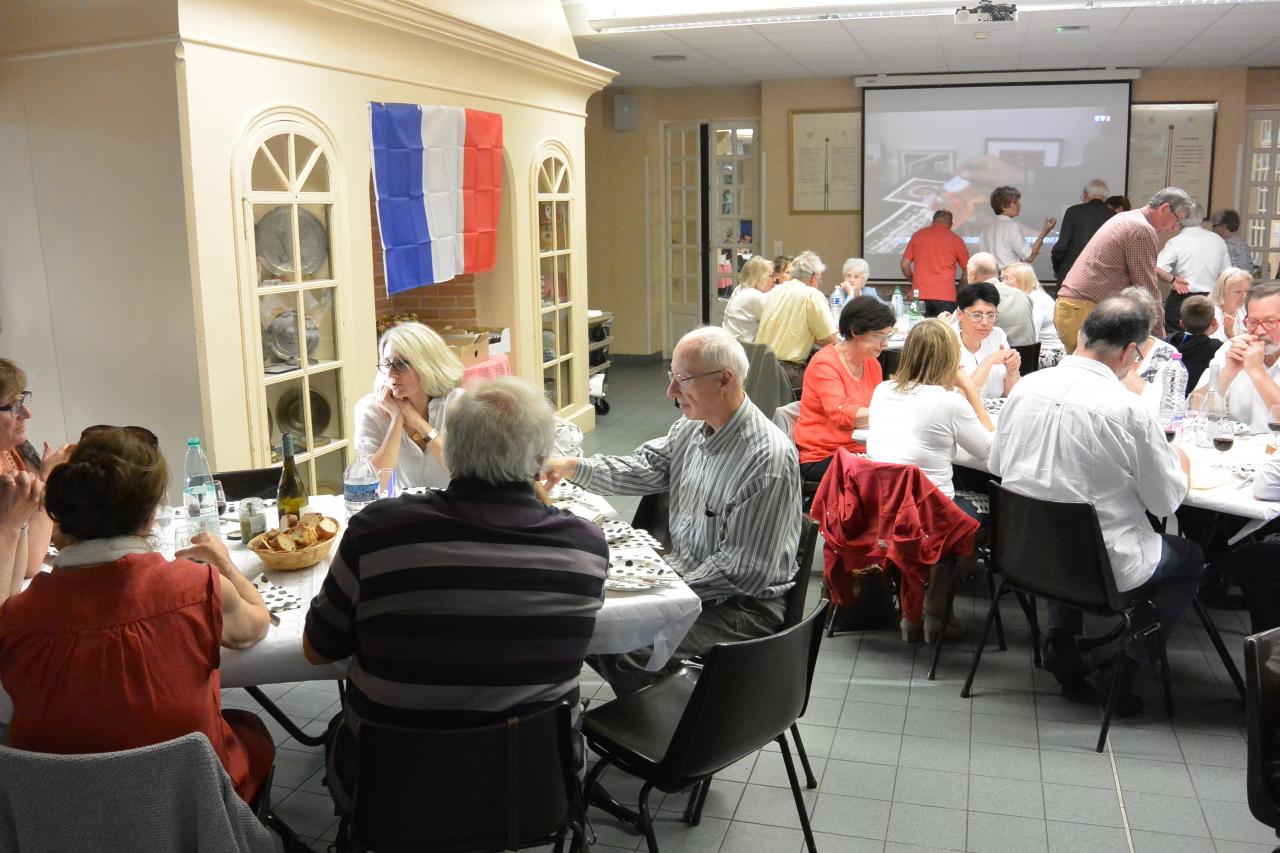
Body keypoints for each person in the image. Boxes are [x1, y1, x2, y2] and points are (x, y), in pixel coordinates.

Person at [305, 377, 608, 807]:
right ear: (541, 460)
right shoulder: (584, 545)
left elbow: (318, 649)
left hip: (392, 787)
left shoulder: (379, 534)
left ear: (453, 449)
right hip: (535, 786)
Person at [0, 426, 274, 803]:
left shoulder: (18, 618)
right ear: (150, 516)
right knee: (251, 731)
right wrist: (225, 565)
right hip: (190, 814)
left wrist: (9, 526)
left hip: (63, 822)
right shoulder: (196, 587)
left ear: (64, 517)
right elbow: (255, 625)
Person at [541, 327, 801, 696]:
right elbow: (641, 468)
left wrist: (653, 591)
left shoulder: (765, 459)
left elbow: (743, 573)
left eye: (682, 380)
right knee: (593, 632)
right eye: (671, 377)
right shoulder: (692, 429)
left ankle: (681, 730)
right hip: (695, 583)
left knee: (622, 646)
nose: (671, 392)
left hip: (745, 608)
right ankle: (660, 710)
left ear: (724, 380)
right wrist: (572, 466)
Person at [991, 296, 1200, 713]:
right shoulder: (1129, 410)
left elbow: (997, 465)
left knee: (1060, 516)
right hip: (1097, 567)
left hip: (1022, 554)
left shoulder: (1027, 386)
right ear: (1129, 353)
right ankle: (1124, 666)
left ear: (1083, 335)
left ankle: (1061, 640)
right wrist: (1182, 464)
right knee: (1190, 557)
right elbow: (1164, 503)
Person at [866, 320, 996, 640]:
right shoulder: (949, 402)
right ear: (950, 360)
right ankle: (937, 612)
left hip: (881, 509)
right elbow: (990, 449)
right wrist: (968, 390)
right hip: (927, 515)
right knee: (979, 513)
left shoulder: (882, 390)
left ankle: (922, 609)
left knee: (944, 507)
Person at [1055, 187, 1194, 353]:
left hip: (1073, 307)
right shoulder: (1141, 229)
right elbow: (1146, 289)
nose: (1174, 227)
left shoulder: (1127, 217)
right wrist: (1159, 341)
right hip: (1085, 310)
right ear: (1164, 208)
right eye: (1177, 220)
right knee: (1098, 372)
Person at [792, 297, 895, 484]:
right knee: (889, 480)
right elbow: (842, 414)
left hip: (861, 449)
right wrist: (894, 411)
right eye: (880, 336)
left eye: (887, 336)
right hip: (823, 455)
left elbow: (873, 411)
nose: (885, 344)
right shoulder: (825, 364)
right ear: (856, 331)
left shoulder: (872, 364)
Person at [354, 322, 464, 490]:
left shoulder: (457, 404)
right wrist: (397, 419)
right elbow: (372, 486)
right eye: (386, 364)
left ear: (427, 366)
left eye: (400, 365)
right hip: (396, 513)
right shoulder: (369, 409)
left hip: (449, 512)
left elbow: (462, 470)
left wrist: (417, 422)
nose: (390, 374)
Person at [0, 359, 73, 585]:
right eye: (13, 406)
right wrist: (47, 479)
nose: (27, 413)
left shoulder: (13, 449)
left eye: (23, 400)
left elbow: (57, 530)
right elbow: (30, 564)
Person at [1190, 281, 1280, 433]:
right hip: (1232, 451)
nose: (1258, 331)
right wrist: (1228, 372)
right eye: (1252, 322)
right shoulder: (1232, 349)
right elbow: (1194, 408)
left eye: (1270, 322)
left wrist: (1257, 372)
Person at [755, 250, 838, 392]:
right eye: (820, 278)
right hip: (787, 373)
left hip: (761, 368)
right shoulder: (811, 294)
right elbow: (830, 339)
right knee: (832, 383)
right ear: (814, 276)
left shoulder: (776, 291)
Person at [1157, 202, 1230, 334]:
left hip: (1182, 298)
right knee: (1207, 340)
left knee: (1176, 342)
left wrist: (1173, 279)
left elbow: (1158, 266)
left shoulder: (1177, 241)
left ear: (1181, 218)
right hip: (1210, 299)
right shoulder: (1217, 240)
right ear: (1201, 217)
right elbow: (1227, 274)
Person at [950, 282, 1021, 399]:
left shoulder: (997, 335)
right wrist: (988, 361)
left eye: (990, 315)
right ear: (959, 314)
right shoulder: (946, 341)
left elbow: (1010, 395)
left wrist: (1012, 372)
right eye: (977, 315)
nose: (985, 322)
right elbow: (960, 399)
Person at [1117, 286, 1178, 414]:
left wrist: (1123, 366)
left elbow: (1167, 406)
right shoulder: (1103, 347)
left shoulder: (1166, 353)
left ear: (1151, 324)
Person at [900, 209, 969, 316]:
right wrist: (959, 289)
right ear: (951, 224)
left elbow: (904, 265)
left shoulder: (918, 235)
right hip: (946, 297)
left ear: (933, 221)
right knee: (945, 331)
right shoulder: (956, 240)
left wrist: (914, 281)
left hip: (920, 296)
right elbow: (969, 270)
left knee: (920, 331)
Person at [1051, 180, 1114, 284]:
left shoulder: (1073, 211)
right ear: (1105, 197)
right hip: (1101, 280)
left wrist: (1059, 269)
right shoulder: (1114, 216)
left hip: (1071, 277)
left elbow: (1061, 247)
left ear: (1085, 195)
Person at [978, 185, 1056, 270]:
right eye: (1015, 202)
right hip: (1008, 279)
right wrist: (1043, 233)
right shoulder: (1011, 226)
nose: (1019, 205)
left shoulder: (985, 229)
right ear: (1003, 206)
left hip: (987, 279)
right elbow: (1029, 257)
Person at [967, 252, 1036, 348]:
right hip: (1028, 359)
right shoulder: (1023, 295)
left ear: (972, 274)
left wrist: (943, 319)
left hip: (996, 359)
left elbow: (953, 331)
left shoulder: (973, 297)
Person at [1003, 262, 1065, 368]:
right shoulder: (1029, 297)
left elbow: (1031, 336)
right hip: (1039, 349)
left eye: (1007, 278)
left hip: (1051, 352)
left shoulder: (1037, 299)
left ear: (1022, 280)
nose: (1003, 283)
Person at [1168, 295, 1223, 392]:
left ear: (1181, 323)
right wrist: (1231, 334)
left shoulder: (1169, 342)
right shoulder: (1216, 347)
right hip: (1197, 400)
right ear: (1214, 322)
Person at [722, 255, 775, 343]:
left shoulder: (740, 289)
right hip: (743, 349)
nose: (774, 280)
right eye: (771, 276)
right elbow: (775, 319)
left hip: (729, 342)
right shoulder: (754, 296)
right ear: (762, 277)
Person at [1209, 266, 1253, 343]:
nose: (1244, 296)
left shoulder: (1245, 310)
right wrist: (1231, 334)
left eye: (1246, 291)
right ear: (1223, 291)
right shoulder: (1209, 313)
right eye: (1238, 292)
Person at [1211, 209, 1255, 273]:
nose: (1213, 229)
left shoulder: (1230, 245)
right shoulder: (1240, 241)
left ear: (1224, 226)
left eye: (1214, 226)